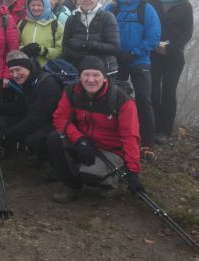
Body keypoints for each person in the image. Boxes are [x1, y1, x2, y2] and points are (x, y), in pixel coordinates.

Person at [47, 56, 143, 203]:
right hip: (85, 142)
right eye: (86, 74)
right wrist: (79, 140)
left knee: (90, 176)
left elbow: (130, 136)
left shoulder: (122, 100)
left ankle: (111, 180)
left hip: (112, 149)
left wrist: (133, 172)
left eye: (96, 75)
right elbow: (60, 118)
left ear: (104, 77)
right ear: (80, 77)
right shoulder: (71, 92)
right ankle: (71, 185)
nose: (91, 80)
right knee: (54, 138)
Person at [105, 0, 161, 161]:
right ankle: (113, 135)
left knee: (144, 98)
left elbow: (154, 36)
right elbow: (103, 31)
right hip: (116, 60)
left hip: (139, 60)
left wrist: (134, 52)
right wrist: (114, 52)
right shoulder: (111, 8)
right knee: (112, 98)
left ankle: (147, 142)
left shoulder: (146, 9)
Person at [0, 51, 62, 166]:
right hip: (39, 120)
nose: (15, 75)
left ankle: (50, 161)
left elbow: (35, 119)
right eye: (11, 71)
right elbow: (21, 108)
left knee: (33, 139)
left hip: (54, 124)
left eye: (18, 69)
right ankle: (28, 152)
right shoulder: (28, 81)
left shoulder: (47, 84)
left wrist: (4, 135)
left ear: (28, 67)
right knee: (1, 121)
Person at [148, 0, 194, 145]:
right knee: (152, 90)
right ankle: (150, 128)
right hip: (153, 53)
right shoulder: (151, 3)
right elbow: (145, 25)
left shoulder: (185, 6)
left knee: (168, 92)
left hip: (174, 56)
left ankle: (164, 131)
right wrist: (154, 45)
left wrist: (168, 48)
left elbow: (187, 33)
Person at [62, 0, 121, 75]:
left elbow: (115, 48)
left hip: (104, 70)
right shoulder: (72, 19)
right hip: (77, 69)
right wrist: (77, 56)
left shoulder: (107, 17)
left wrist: (85, 44)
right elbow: (65, 47)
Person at [18, 0, 64, 67]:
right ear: (28, 6)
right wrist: (24, 49)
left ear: (46, 6)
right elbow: (14, 46)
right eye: (33, 5)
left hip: (47, 69)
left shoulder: (56, 25)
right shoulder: (22, 24)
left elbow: (60, 51)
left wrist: (42, 51)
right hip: (25, 68)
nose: (36, 8)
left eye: (39, 5)